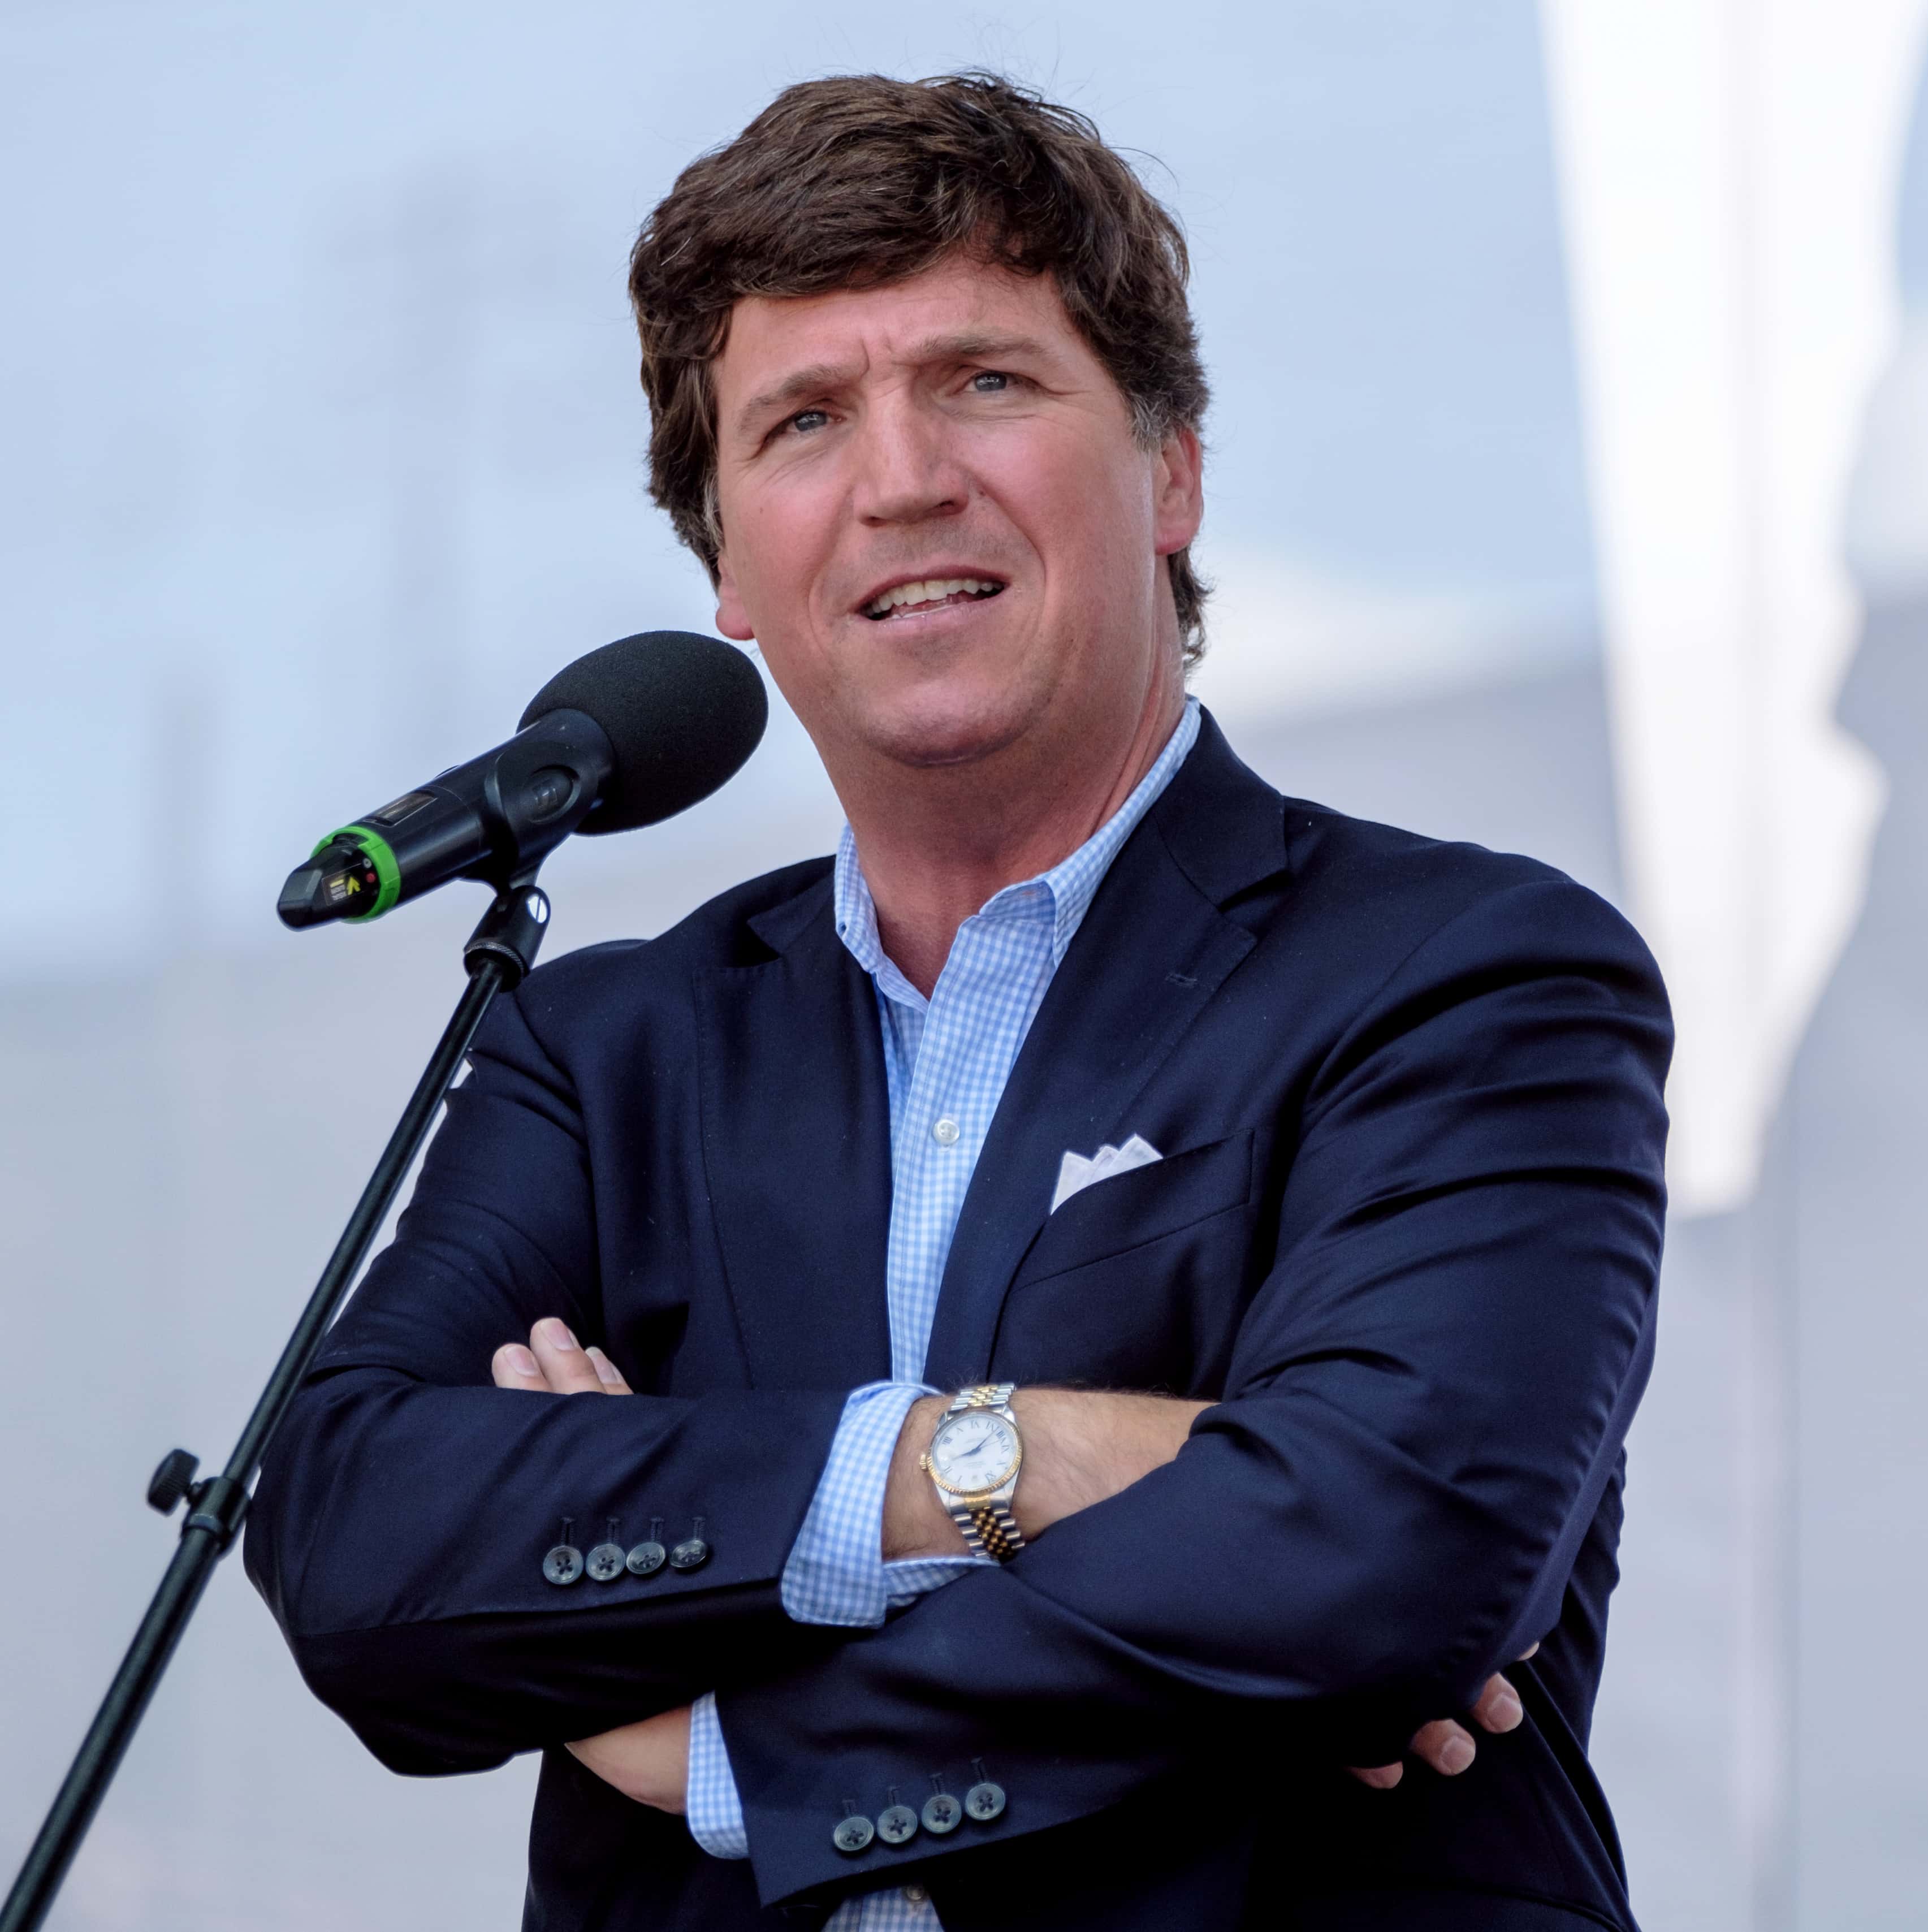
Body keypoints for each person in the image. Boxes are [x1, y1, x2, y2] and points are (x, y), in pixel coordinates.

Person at [242, 72, 1668, 1932]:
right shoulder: (599, 1056)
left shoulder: (1465, 977)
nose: (905, 475)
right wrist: (997, 1462)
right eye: (807, 419)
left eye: (985, 380)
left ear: (1172, 469)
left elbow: (1377, 1558)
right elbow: (355, 1539)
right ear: (730, 570)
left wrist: (723, 1743)